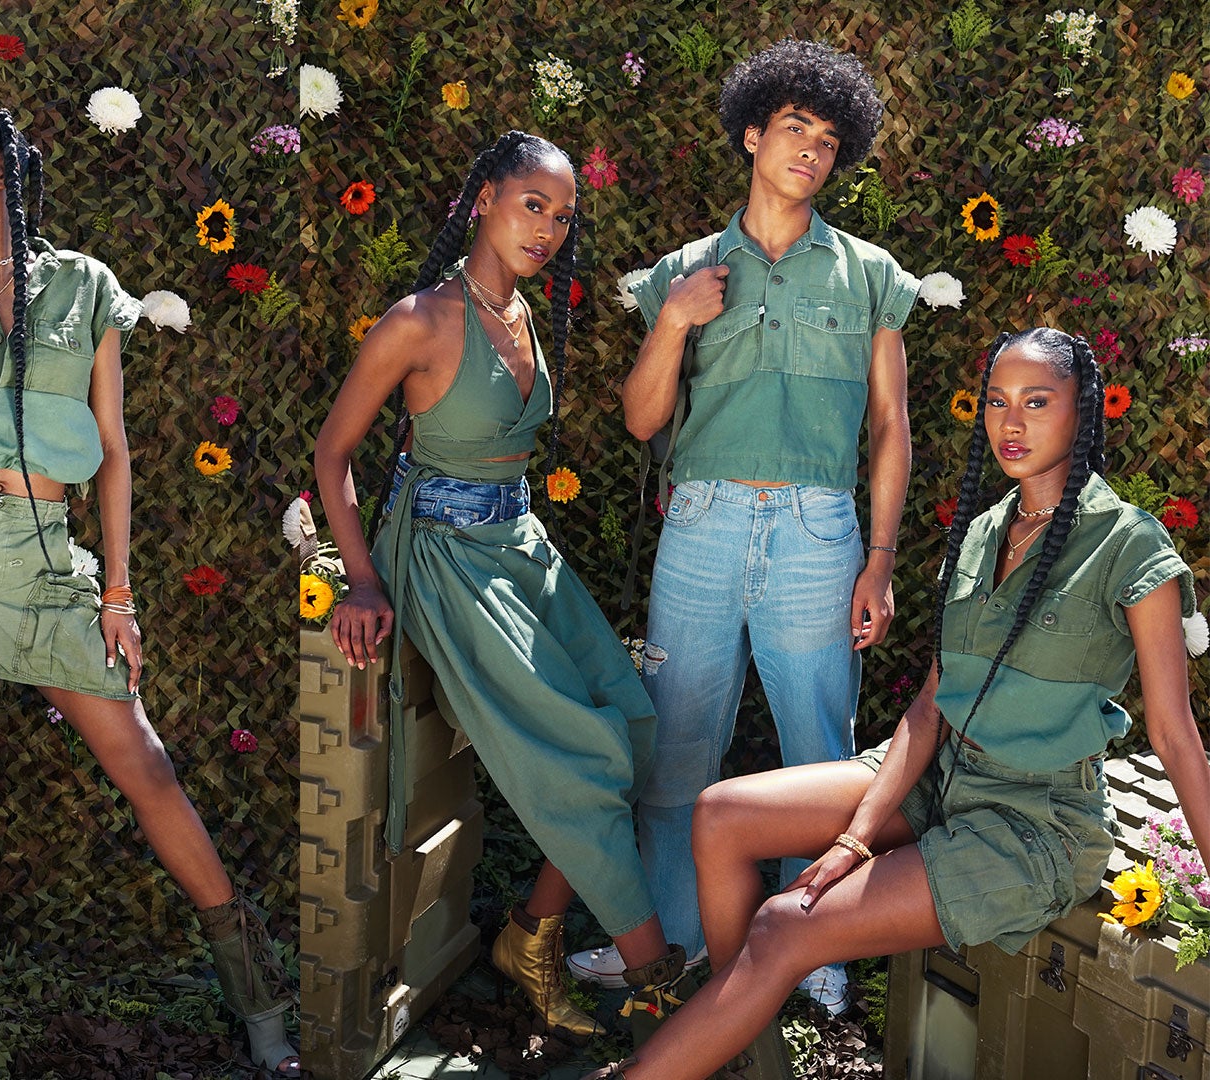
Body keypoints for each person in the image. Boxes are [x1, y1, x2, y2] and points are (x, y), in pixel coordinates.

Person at [583, 327, 1209, 1078]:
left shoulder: (1129, 545)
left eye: (1037, 402)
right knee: (721, 815)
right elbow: (930, 706)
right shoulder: (983, 532)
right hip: (938, 772)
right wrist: (858, 836)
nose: (1011, 424)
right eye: (998, 402)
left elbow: (1175, 738)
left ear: (1084, 412)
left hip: (1031, 819)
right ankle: (750, 1058)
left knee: (786, 924)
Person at [0, 108, 297, 1076]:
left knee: (146, 764)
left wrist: (117, 593)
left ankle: (258, 990)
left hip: (41, 552)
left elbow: (114, 452)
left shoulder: (84, 287)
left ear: (3, 174)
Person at [313, 130, 686, 1042]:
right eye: (533, 205)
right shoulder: (419, 320)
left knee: (632, 726)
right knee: (582, 758)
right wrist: (363, 581)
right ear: (483, 198)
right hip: (443, 561)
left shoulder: (522, 314)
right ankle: (660, 994)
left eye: (564, 217)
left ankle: (529, 936)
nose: (550, 229)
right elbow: (331, 455)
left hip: (521, 546)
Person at [589, 38, 919, 1013]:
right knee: (676, 745)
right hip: (701, 520)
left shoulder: (869, 275)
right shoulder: (685, 271)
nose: (809, 152)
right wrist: (675, 320)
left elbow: (892, 429)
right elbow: (642, 419)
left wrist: (882, 560)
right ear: (751, 136)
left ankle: (812, 957)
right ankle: (674, 943)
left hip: (822, 529)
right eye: (792, 130)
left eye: (826, 140)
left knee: (818, 749)